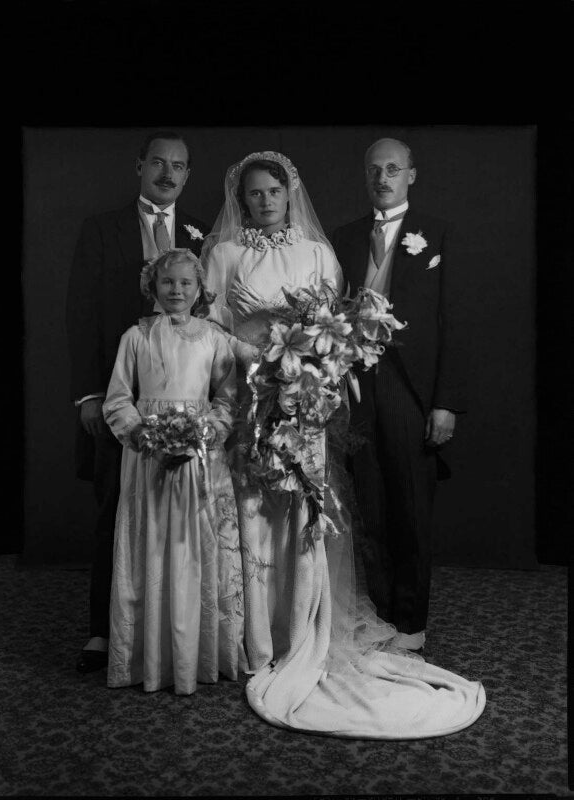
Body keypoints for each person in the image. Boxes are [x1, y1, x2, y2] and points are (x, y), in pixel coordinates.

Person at [202, 150, 484, 738]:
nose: (265, 201)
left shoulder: (319, 250)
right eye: (254, 193)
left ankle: (327, 620)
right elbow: (210, 330)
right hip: (249, 397)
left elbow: (335, 324)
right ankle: (253, 630)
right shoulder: (226, 253)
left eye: (273, 191)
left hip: (311, 396)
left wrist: (294, 355)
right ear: (241, 200)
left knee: (328, 509)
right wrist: (250, 351)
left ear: (290, 193)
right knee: (255, 512)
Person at [66, 131, 210, 673]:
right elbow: (81, 313)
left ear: (188, 174)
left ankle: (173, 632)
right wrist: (90, 394)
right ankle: (104, 633)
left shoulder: (203, 233)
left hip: (186, 401)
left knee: (181, 522)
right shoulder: (101, 229)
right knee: (116, 511)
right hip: (120, 397)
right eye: (158, 163)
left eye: (178, 166)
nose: (167, 174)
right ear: (140, 167)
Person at [332, 138, 467, 653]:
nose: (382, 178)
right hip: (355, 388)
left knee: (410, 507)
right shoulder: (343, 237)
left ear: (411, 175)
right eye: (374, 169)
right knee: (370, 506)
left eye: (393, 169)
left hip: (411, 390)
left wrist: (445, 402)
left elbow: (455, 322)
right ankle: (381, 617)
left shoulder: (439, 234)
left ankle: (410, 626)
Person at [102, 249, 244, 694]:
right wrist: (144, 436)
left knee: (194, 547)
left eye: (186, 283)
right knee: (152, 545)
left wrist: (208, 432)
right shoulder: (136, 336)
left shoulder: (214, 338)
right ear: (153, 286)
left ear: (199, 289)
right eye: (167, 282)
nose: (176, 291)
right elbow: (118, 399)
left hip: (200, 459)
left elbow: (227, 397)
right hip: (149, 458)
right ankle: (149, 658)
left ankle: (200, 656)